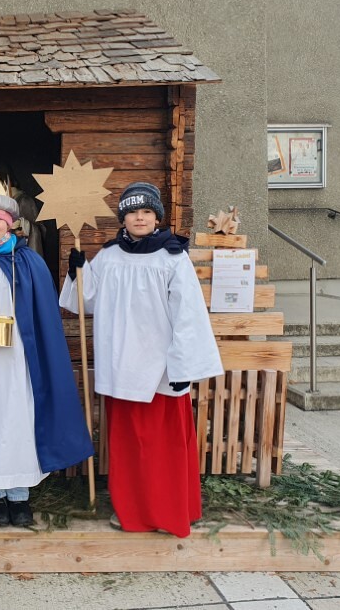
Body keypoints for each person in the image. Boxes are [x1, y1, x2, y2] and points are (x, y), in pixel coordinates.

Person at [59, 182, 223, 538]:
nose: (140, 217)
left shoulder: (172, 258)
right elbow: (84, 303)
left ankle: (169, 512)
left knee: (163, 447)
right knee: (129, 447)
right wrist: (77, 273)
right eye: (132, 212)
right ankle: (131, 512)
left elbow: (189, 315)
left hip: (160, 369)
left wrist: (183, 365)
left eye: (147, 211)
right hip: (121, 366)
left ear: (157, 217)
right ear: (123, 218)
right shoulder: (109, 257)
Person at [0, 173, 93, 528]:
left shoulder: (30, 262)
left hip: (21, 362)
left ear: (10, 222)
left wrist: (77, 273)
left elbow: (45, 318)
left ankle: (20, 495)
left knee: (20, 423)